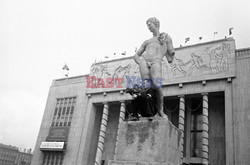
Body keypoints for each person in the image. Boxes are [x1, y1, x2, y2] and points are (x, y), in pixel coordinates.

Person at [133, 17, 175, 118]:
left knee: (157, 86)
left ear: (156, 24)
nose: (148, 27)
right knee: (146, 88)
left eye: (149, 24)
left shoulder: (166, 37)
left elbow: (170, 56)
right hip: (144, 63)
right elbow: (136, 55)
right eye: (147, 25)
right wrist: (141, 62)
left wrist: (166, 46)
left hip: (156, 62)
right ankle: (147, 111)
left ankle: (160, 110)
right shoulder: (147, 41)